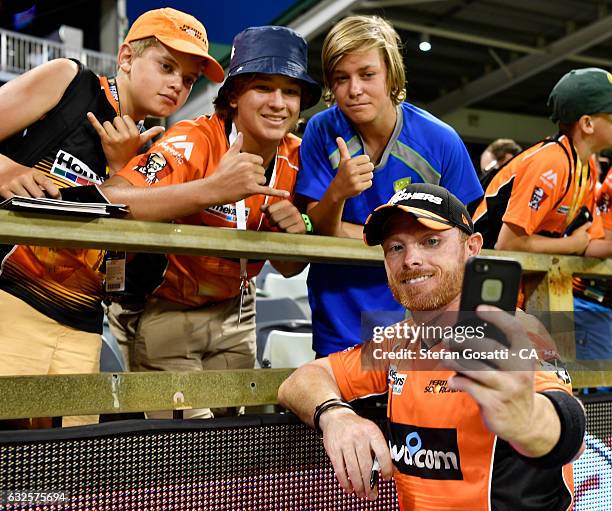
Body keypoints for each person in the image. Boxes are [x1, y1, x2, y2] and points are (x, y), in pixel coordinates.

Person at [278, 183, 585, 510]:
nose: (411, 259)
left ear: (473, 247)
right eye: (396, 247)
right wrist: (334, 415)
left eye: (431, 241)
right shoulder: (399, 341)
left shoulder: (513, 333)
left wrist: (527, 420)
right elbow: (302, 379)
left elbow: (566, 425)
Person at [0, 7, 223, 425]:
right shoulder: (71, 82)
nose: (177, 84)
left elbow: (133, 274)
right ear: (125, 58)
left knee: (61, 472)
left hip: (83, 323)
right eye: (166, 66)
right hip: (9, 301)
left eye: (188, 79)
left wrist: (122, 171)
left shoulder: (150, 155)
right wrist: (6, 169)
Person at [104, 26, 321, 418]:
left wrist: (298, 231)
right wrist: (213, 188)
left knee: (230, 448)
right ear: (234, 96)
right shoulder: (194, 140)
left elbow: (290, 269)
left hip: (237, 310)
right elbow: (112, 199)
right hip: (168, 309)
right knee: (184, 454)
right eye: (264, 88)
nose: (279, 103)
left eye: (290, 91)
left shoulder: (297, 157)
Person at [294, 15, 482, 357]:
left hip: (421, 317)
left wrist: (355, 232)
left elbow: (464, 239)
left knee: (414, 410)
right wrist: (338, 191)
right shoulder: (320, 131)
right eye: (341, 78)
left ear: (391, 75)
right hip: (339, 311)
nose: (354, 90)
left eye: (367, 75)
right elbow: (319, 229)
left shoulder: (440, 140)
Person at [472, 68, 612, 360]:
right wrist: (569, 245)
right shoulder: (550, 162)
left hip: (519, 292)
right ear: (587, 123)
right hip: (478, 288)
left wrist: (578, 244)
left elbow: (590, 242)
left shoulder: (584, 169)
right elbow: (507, 243)